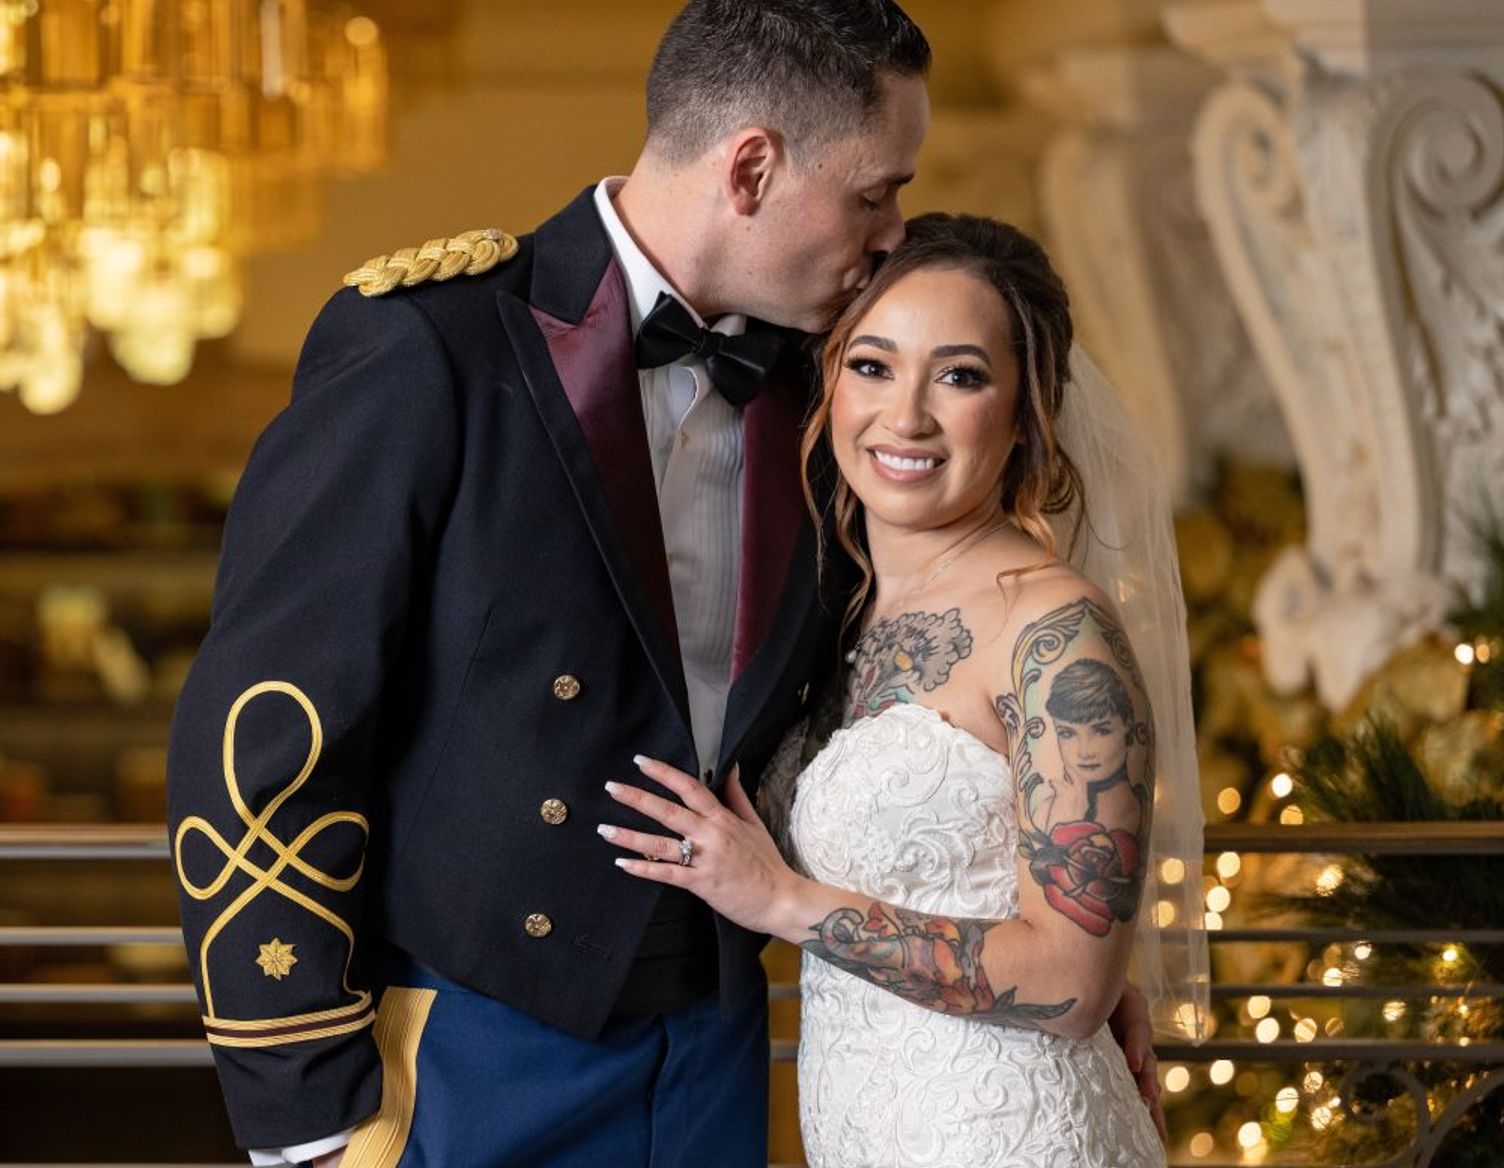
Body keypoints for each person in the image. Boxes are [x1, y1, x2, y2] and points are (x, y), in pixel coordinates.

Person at [165, 4, 1163, 1165]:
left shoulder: (839, 389)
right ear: (751, 166)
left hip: (714, 1045)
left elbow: (932, 672)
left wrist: (1061, 943)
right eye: (872, 194)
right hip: (471, 1046)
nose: (892, 236)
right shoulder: (435, 348)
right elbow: (263, 731)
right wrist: (305, 1103)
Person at [604, 213, 1207, 1166]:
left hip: (1009, 1134)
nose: (907, 416)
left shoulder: (1053, 633)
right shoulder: (831, 608)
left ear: (1026, 410)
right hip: (866, 1124)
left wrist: (785, 903)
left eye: (961, 376)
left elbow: (1069, 980)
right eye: (873, 365)